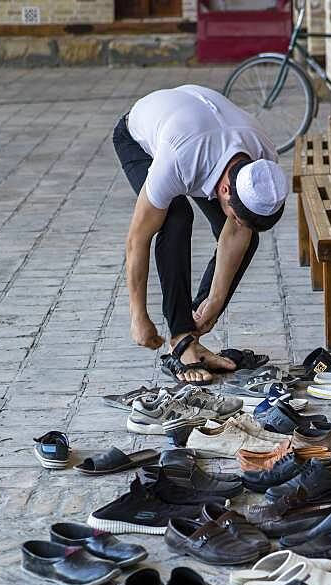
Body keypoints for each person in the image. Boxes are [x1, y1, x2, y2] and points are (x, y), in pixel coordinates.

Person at [112, 84, 289, 383]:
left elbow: (236, 231)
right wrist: (138, 317)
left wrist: (214, 304)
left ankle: (192, 331)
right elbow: (137, 240)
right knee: (176, 217)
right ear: (224, 190)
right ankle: (181, 341)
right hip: (141, 135)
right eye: (233, 212)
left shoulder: (263, 158)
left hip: (200, 128)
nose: (235, 221)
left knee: (247, 237)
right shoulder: (180, 160)